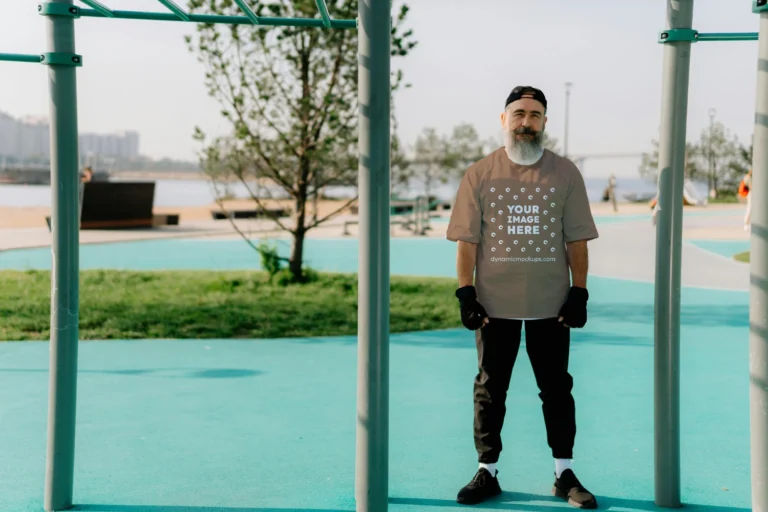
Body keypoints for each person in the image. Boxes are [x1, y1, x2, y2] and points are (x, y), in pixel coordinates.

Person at [445, 85, 599, 509]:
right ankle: (487, 471)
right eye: (518, 114)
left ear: (545, 121)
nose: (526, 122)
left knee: (557, 389)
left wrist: (579, 292)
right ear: (504, 120)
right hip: (495, 306)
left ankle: (563, 473)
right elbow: (466, 241)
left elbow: (577, 240)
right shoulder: (480, 173)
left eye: (534, 114)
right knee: (491, 388)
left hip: (551, 305)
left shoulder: (565, 173)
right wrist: (466, 293)